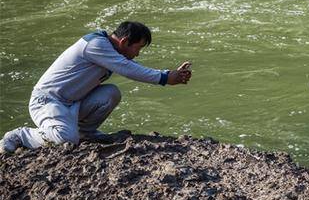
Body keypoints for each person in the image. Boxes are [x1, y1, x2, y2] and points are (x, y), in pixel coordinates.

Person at [0, 21, 192, 153]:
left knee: (111, 93)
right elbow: (128, 69)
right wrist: (166, 77)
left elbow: (129, 67)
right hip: (48, 101)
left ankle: (85, 133)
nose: (138, 54)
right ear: (124, 42)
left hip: (73, 102)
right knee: (65, 139)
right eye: (138, 48)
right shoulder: (96, 45)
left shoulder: (107, 48)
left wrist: (167, 75)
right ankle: (21, 135)